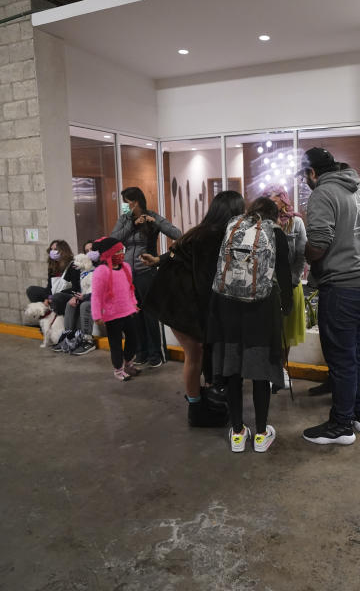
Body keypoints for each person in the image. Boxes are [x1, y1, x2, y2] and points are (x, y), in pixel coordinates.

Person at [298, 147, 360, 446]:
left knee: (342, 359)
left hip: (344, 289)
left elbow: (319, 244)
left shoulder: (323, 193)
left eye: (305, 177)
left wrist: (300, 247)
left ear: (312, 173)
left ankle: (341, 425)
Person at [141, 190, 246, 427]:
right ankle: (196, 408)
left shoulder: (205, 231)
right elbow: (205, 280)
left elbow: (177, 251)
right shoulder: (212, 235)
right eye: (242, 211)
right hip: (178, 302)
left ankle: (200, 401)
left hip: (177, 299)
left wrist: (159, 259)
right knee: (195, 352)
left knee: (198, 351)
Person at [206, 197, 292, 452]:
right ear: (273, 216)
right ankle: (262, 433)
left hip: (228, 309)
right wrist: (286, 306)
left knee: (233, 370)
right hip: (261, 311)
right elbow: (285, 275)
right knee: (259, 373)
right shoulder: (275, 235)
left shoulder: (233, 228)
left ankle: (237, 432)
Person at [111, 187, 181, 368]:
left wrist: (154, 223)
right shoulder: (124, 220)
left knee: (150, 314)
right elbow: (114, 240)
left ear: (136, 202)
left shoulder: (153, 216)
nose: (125, 205)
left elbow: (177, 234)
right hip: (128, 274)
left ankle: (156, 354)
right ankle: (140, 352)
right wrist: (132, 225)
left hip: (146, 272)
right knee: (134, 315)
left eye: (127, 201)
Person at [267, 184, 307, 387]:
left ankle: (281, 369)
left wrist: (291, 280)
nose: (270, 201)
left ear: (283, 199)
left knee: (286, 333)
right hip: (267, 287)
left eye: (273, 198)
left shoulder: (295, 223)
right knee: (269, 332)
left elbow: (301, 254)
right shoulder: (263, 223)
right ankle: (269, 370)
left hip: (290, 285)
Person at [90, 238, 142, 381]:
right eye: (117, 251)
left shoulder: (126, 267)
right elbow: (96, 296)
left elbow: (130, 289)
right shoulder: (101, 271)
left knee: (133, 339)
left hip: (127, 311)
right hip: (112, 315)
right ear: (108, 254)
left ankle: (128, 363)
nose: (121, 254)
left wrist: (134, 303)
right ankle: (118, 370)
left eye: (121, 250)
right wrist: (97, 315)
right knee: (116, 344)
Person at [59, 240, 99, 356]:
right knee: (69, 303)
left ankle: (88, 339)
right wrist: (76, 296)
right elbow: (79, 288)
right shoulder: (82, 272)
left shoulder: (100, 268)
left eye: (92, 250)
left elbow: (96, 291)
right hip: (86, 295)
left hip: (98, 298)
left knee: (85, 305)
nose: (90, 253)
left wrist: (84, 297)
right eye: (87, 251)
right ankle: (69, 336)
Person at [25, 240, 80, 316]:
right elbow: (49, 287)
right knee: (31, 290)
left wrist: (55, 296)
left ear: (63, 251)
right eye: (51, 249)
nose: (52, 251)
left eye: (56, 249)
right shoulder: (52, 266)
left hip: (66, 295)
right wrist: (48, 297)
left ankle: (54, 316)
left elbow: (76, 288)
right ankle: (44, 316)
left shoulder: (73, 265)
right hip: (54, 294)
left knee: (57, 297)